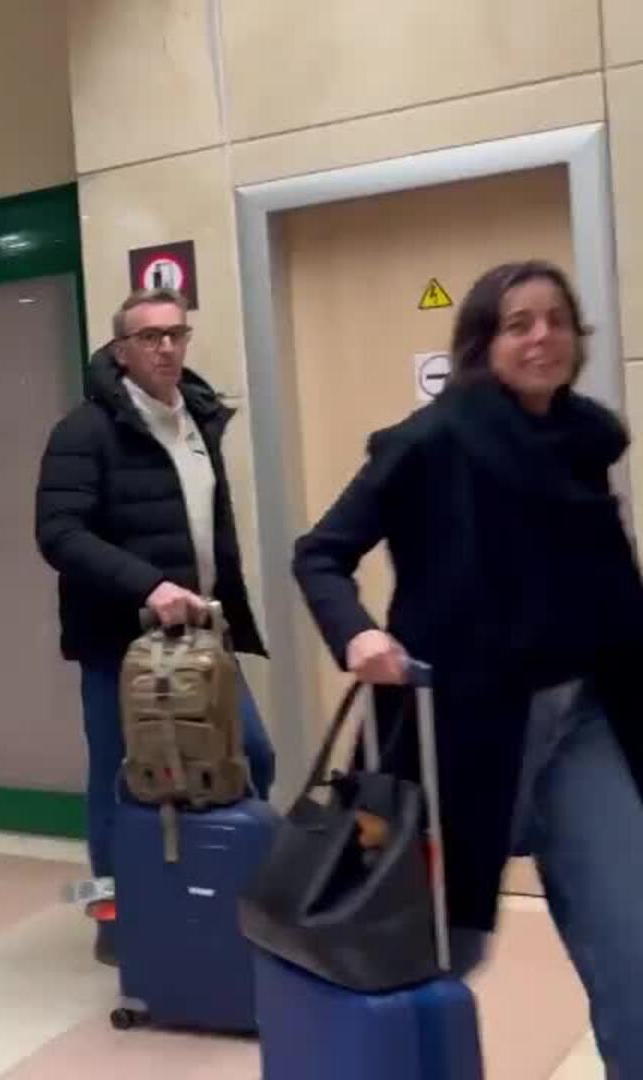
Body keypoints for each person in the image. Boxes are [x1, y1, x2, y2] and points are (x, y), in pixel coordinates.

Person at [292, 261, 643, 1071]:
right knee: (435, 952)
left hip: (584, 719)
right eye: (519, 323)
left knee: (633, 941)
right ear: (483, 342)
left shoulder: (586, 442)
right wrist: (356, 635)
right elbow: (321, 553)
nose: (543, 337)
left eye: (557, 320)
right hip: (460, 727)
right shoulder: (432, 441)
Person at [33, 287, 276, 963]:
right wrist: (148, 584)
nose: (166, 348)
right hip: (119, 645)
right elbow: (58, 533)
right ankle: (113, 914)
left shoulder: (199, 419)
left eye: (176, 334)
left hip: (200, 640)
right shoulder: (84, 431)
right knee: (118, 780)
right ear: (121, 351)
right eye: (149, 337)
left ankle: (210, 894)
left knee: (252, 756)